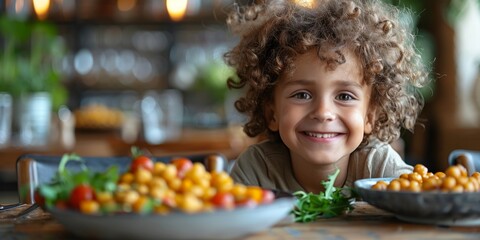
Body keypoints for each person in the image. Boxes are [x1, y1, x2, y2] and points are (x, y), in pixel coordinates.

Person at [223, 0, 430, 194]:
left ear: (369, 116)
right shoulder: (257, 169)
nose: (323, 113)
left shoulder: (381, 167)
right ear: (272, 113)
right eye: (302, 95)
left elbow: (422, 208)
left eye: (345, 96)